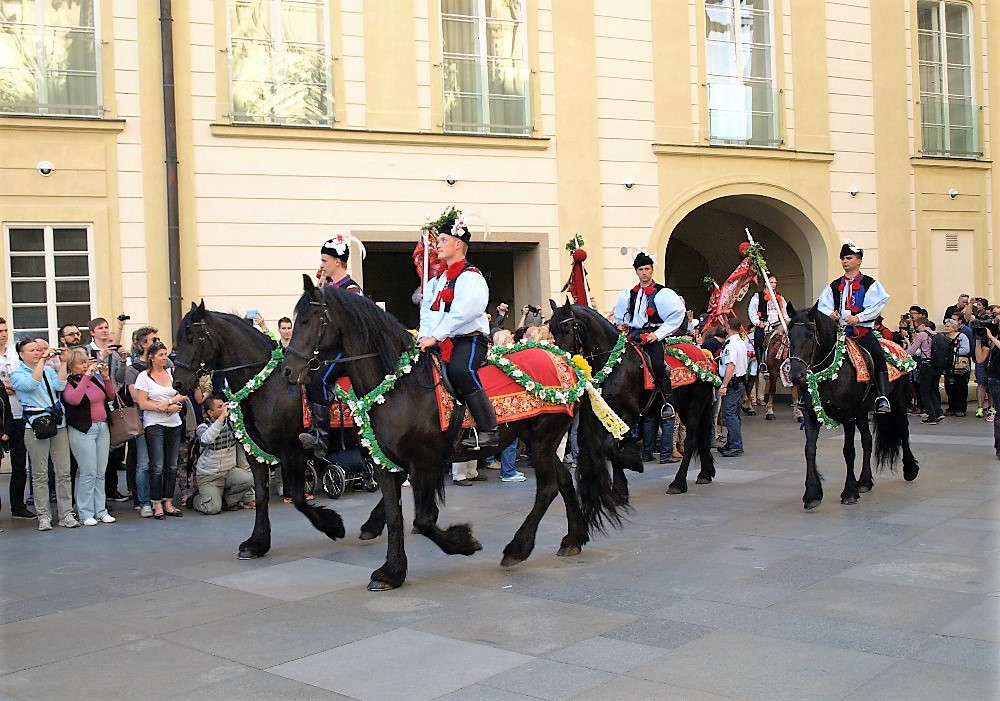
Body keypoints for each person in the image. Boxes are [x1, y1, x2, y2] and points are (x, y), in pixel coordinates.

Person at [417, 214, 498, 449]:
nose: (438, 245)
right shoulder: (437, 281)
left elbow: (464, 312)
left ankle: (488, 429)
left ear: (458, 244)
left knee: (461, 371)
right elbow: (427, 311)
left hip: (469, 340)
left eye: (443, 240)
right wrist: (424, 335)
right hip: (441, 339)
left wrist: (436, 335)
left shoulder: (471, 277)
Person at [299, 235, 364, 457]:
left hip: (348, 349)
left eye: (325, 260)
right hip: (329, 348)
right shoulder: (326, 287)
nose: (321, 265)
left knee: (320, 377)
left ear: (338, 262)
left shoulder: (351, 289)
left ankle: (321, 437)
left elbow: (353, 324)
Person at [817, 240, 891, 414]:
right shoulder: (834, 286)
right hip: (839, 333)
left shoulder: (869, 284)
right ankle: (814, 395)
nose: (845, 261)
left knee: (877, 355)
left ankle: (882, 396)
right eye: (843, 258)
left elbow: (877, 306)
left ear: (859, 260)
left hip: (861, 332)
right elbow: (822, 305)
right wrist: (831, 315)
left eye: (849, 258)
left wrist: (858, 318)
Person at [613, 251, 685, 420]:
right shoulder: (628, 294)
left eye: (647, 269)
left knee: (658, 364)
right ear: (636, 272)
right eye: (640, 270)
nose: (644, 273)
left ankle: (668, 402)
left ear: (652, 270)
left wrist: (658, 334)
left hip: (652, 336)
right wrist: (622, 324)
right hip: (634, 335)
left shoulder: (663, 294)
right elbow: (622, 317)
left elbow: (677, 314)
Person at [11, 339, 74, 530]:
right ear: (21, 354)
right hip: (35, 425)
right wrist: (41, 363)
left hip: (57, 423)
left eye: (39, 350)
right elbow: (31, 385)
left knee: (63, 472)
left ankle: (66, 514)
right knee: (39, 474)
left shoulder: (48, 370)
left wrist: (63, 363)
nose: (38, 353)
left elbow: (61, 386)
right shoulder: (17, 374)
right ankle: (44, 515)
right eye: (32, 351)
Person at [61, 347, 117, 525]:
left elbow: (110, 396)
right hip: (83, 430)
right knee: (88, 472)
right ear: (72, 366)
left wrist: (106, 377)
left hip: (102, 428)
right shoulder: (69, 382)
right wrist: (86, 377)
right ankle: (85, 512)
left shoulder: (95, 379)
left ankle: (101, 510)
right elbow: (74, 399)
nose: (86, 365)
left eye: (86, 362)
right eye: (81, 363)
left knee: (101, 472)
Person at [133, 341, 184, 519]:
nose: (165, 358)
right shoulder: (143, 377)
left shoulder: (172, 372)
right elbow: (142, 402)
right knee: (157, 465)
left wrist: (169, 402)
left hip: (174, 423)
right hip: (154, 423)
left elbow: (183, 392)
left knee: (171, 465)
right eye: (161, 355)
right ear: (152, 357)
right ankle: (156, 503)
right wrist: (163, 408)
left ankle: (168, 501)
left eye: (165, 354)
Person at [189, 396, 255, 513]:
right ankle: (196, 500)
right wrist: (221, 418)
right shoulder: (202, 428)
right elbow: (207, 439)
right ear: (210, 412)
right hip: (209, 477)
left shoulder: (231, 425)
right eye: (220, 407)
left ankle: (226, 501)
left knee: (247, 479)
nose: (224, 408)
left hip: (228, 472)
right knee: (212, 509)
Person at [0, 318, 33, 520]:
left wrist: (10, 387)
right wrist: (8, 387)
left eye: (5, 330)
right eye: (0, 331)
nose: (3, 334)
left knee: (20, 464)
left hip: (19, 413)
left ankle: (18, 505)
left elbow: (21, 380)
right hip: (1, 417)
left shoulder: (15, 353)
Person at [746, 274, 791, 374]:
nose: (774, 284)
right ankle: (761, 363)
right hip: (765, 324)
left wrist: (786, 321)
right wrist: (758, 322)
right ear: (766, 283)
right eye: (771, 282)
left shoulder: (780, 297)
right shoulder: (758, 296)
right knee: (758, 338)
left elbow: (785, 310)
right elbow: (752, 311)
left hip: (778, 323)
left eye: (775, 282)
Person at [717, 317, 749, 457]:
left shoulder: (731, 344)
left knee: (729, 413)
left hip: (733, 382)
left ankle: (735, 445)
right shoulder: (740, 342)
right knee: (734, 413)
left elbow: (730, 365)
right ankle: (732, 442)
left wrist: (724, 385)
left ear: (728, 327)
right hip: (740, 381)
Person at [907, 317, 944, 425]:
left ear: (922, 325)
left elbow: (912, 351)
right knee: (933, 389)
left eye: (917, 326)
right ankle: (938, 412)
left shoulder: (921, 335)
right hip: (936, 364)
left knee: (925, 391)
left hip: (926, 365)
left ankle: (932, 416)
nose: (916, 329)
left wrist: (908, 345)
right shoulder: (935, 334)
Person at [974, 323, 1000, 459]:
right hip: (995, 378)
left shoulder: (995, 340)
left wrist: (991, 336)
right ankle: (999, 447)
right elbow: (980, 359)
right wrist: (978, 341)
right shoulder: (990, 343)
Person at [942, 318, 971, 417]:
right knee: (949, 387)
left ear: (954, 327)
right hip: (948, 366)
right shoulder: (944, 337)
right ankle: (951, 407)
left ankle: (960, 408)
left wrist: (953, 352)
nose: (946, 328)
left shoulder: (962, 336)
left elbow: (966, 349)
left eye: (948, 326)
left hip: (959, 366)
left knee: (960, 387)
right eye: (946, 326)